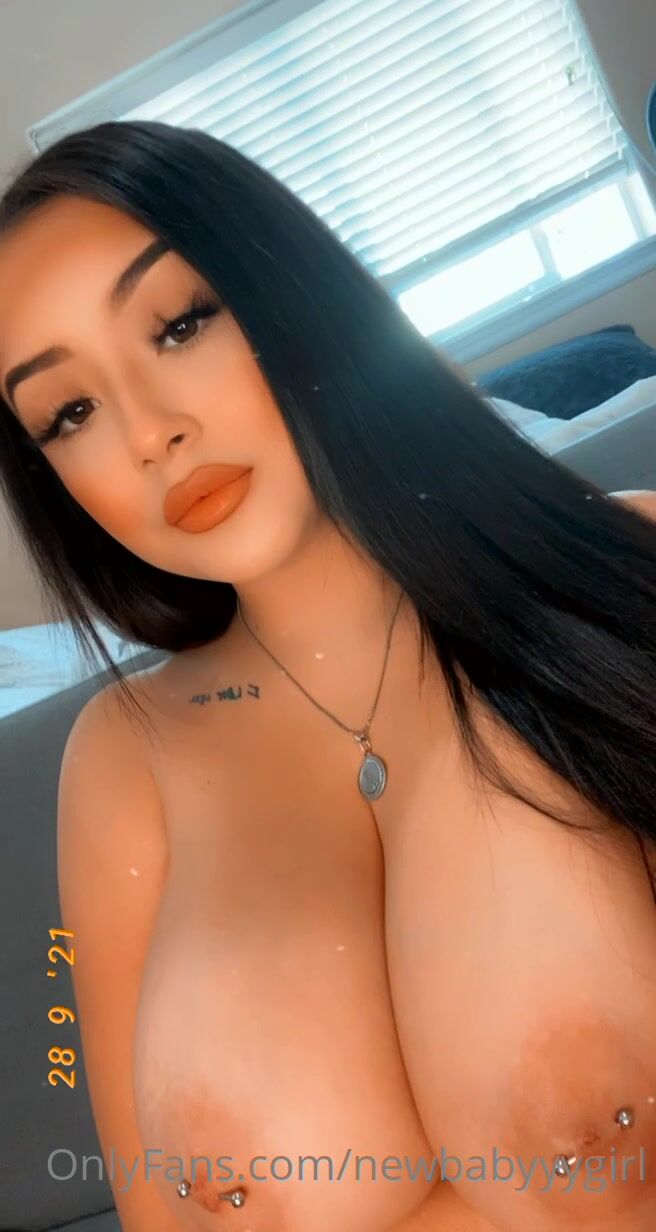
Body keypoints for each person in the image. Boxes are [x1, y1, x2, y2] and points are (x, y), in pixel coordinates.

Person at [0, 121, 654, 1232]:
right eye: (69, 412)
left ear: (293, 292)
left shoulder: (625, 573)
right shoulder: (118, 761)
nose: (149, 434)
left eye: (180, 323)